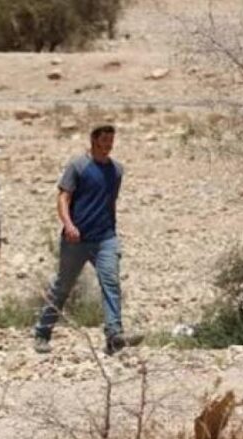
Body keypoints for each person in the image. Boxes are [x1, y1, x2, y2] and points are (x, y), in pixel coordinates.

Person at [33, 125, 142, 355]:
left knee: (111, 282)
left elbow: (111, 202)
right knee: (63, 286)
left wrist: (112, 229)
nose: (108, 145)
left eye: (111, 140)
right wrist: (68, 225)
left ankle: (114, 335)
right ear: (94, 140)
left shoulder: (116, 171)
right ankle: (42, 332)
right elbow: (63, 198)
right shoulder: (78, 166)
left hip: (105, 238)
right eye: (104, 140)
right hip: (76, 239)